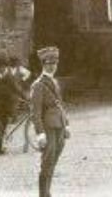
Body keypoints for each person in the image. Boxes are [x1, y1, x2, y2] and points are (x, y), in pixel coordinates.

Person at [31, 46, 70, 197]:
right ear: (43, 65)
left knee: (54, 160)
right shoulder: (38, 85)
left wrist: (66, 124)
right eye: (49, 64)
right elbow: (35, 112)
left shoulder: (55, 81)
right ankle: (43, 194)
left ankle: (48, 192)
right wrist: (40, 133)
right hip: (48, 127)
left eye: (55, 63)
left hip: (59, 125)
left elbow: (60, 104)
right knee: (47, 161)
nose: (52, 66)